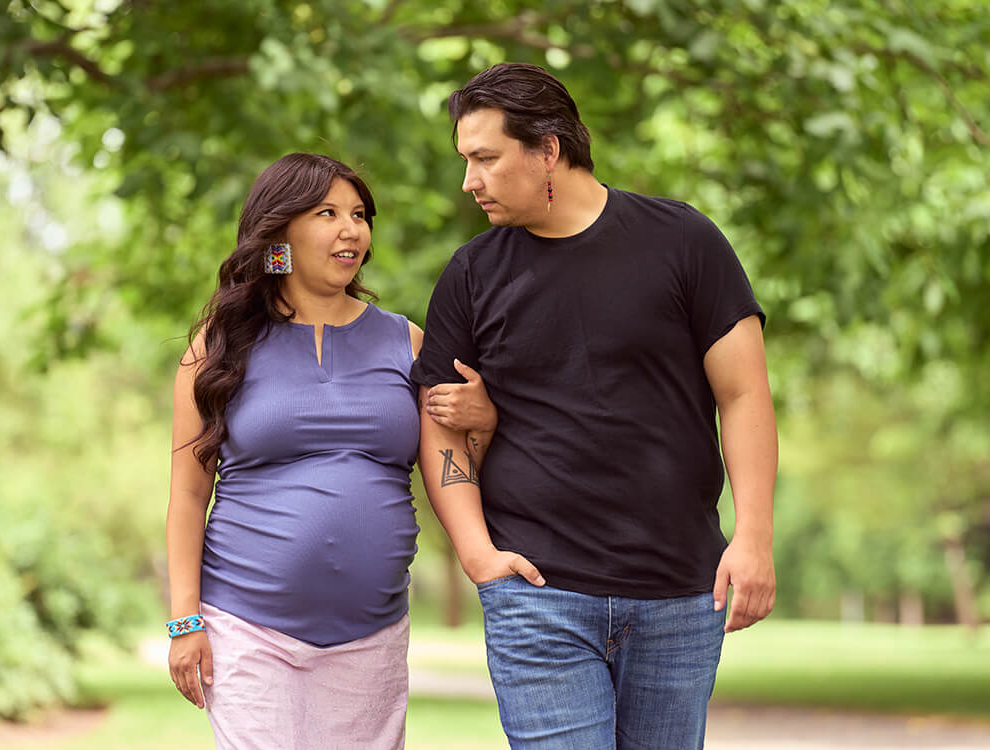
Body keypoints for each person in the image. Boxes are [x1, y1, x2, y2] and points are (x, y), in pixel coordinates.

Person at [412, 63, 778, 750]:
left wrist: (753, 533)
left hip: (678, 594)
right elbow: (440, 425)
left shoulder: (684, 242)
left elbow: (745, 392)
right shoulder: (472, 273)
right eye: (466, 161)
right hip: (538, 594)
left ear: (548, 148)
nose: (470, 182)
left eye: (485, 159)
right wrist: (476, 553)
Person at [164, 153, 493, 749]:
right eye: (328, 213)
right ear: (280, 231)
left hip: (372, 633)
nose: (353, 229)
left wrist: (483, 423)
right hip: (247, 627)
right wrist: (185, 622)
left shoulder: (405, 340)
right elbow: (188, 495)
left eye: (360, 215)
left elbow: (456, 472)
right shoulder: (217, 348)